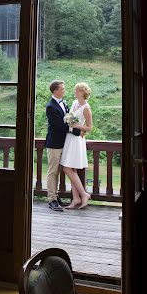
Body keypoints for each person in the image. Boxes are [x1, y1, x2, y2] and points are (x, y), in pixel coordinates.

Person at [45, 79, 82, 211]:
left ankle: (56, 196)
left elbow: (68, 119)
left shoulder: (64, 103)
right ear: (55, 91)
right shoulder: (50, 106)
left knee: (60, 171)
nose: (64, 91)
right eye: (62, 89)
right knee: (53, 171)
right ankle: (52, 199)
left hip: (65, 143)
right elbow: (59, 126)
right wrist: (75, 130)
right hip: (54, 143)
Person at [60, 82, 93, 209]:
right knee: (71, 169)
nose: (75, 91)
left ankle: (84, 194)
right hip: (69, 138)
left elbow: (89, 127)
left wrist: (75, 125)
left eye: (77, 90)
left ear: (82, 92)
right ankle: (76, 199)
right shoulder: (74, 103)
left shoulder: (86, 107)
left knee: (67, 168)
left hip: (77, 140)